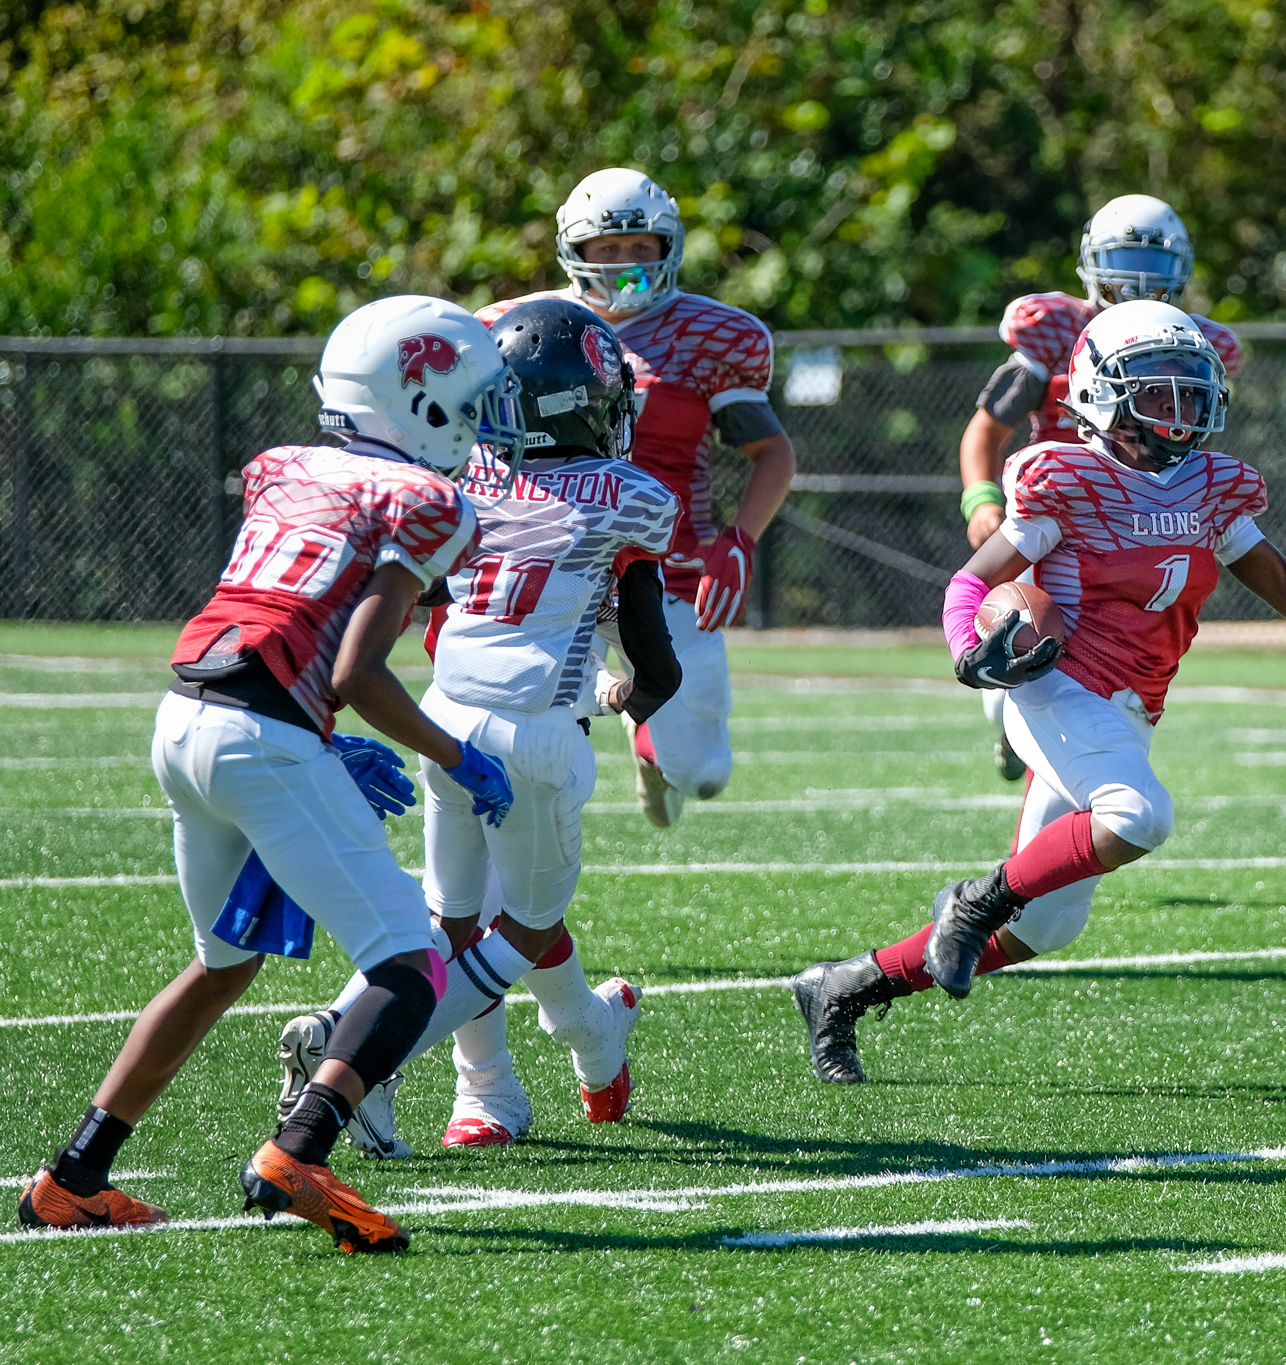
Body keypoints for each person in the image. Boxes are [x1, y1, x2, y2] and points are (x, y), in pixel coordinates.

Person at [18, 296, 519, 1252]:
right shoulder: (426, 500)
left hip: (185, 719)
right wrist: (457, 757)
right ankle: (299, 1150)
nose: (483, 425)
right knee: (409, 962)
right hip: (261, 737)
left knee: (222, 963)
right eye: (470, 401)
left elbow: (287, 621)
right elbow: (357, 671)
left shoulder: (287, 466)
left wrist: (321, 737)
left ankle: (72, 1175)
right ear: (414, 401)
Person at [791, 300, 1286, 1083]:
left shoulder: (1213, 486)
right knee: (1140, 815)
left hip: (1130, 711)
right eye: (1158, 393)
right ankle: (973, 902)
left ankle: (844, 988)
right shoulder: (1067, 477)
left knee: (1048, 926)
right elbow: (971, 584)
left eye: (1190, 392)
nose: (1180, 410)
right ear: (1104, 394)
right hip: (1056, 686)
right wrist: (971, 655)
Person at [277, 298, 681, 1153]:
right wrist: (634, 696)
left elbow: (421, 588)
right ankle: (369, 1058)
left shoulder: (466, 481)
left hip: (440, 719)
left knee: (453, 916)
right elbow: (658, 660)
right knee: (523, 925)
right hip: (535, 732)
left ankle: (537, 1045)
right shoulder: (632, 497)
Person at [479, 167, 795, 828]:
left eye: (640, 247)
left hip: (670, 568)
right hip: (551, 563)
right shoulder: (517, 328)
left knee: (704, 774)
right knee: (521, 739)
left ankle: (650, 742)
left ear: (668, 246)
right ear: (576, 250)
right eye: (608, 249)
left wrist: (737, 541)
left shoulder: (712, 338)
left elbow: (772, 453)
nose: (626, 264)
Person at [958, 195, 1242, 781]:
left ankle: (1047, 732)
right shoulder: (1056, 327)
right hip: (1056, 506)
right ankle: (1012, 706)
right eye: (1123, 257)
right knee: (1019, 628)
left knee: (1099, 663)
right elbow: (988, 426)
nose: (1139, 278)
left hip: (1128, 520)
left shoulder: (1191, 339)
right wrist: (980, 498)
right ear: (1090, 259)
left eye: (1154, 262)